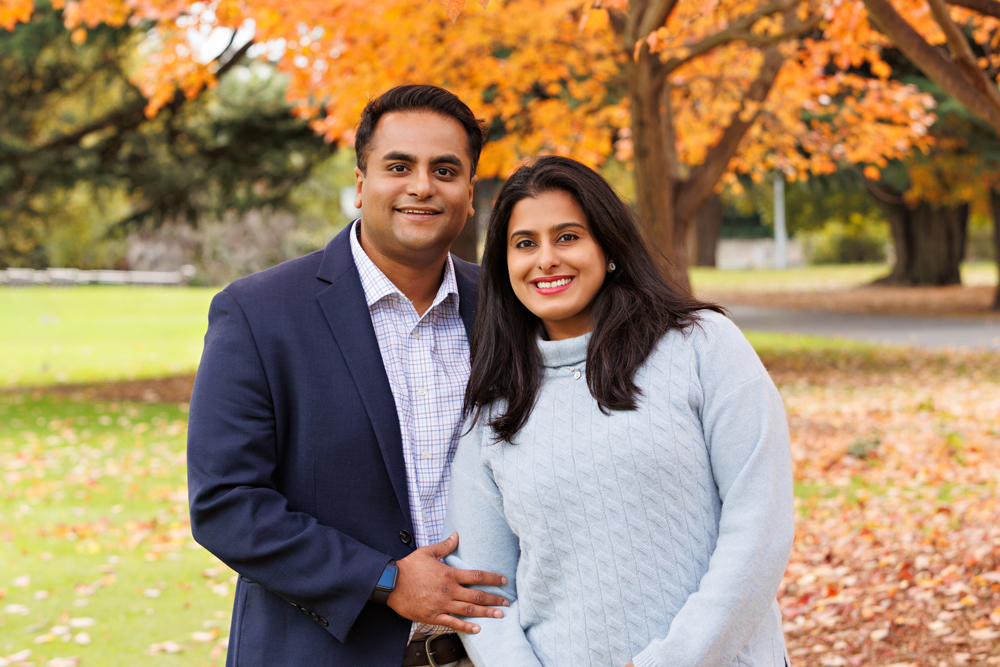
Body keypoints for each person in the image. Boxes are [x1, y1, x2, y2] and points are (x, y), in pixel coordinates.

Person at [186, 85, 509, 667]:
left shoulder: (508, 310)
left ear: (468, 194)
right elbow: (226, 504)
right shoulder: (260, 313)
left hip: (493, 651)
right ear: (361, 184)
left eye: (445, 169)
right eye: (398, 166)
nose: (421, 186)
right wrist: (382, 578)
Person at [444, 155, 794, 667]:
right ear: (504, 266)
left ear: (607, 246)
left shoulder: (701, 345)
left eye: (567, 237)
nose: (545, 259)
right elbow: (485, 591)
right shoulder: (495, 405)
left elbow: (760, 527)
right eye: (525, 244)